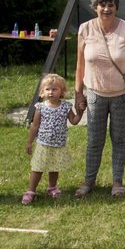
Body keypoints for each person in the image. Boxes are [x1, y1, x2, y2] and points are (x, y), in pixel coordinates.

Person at [73, 0, 125, 198]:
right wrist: (78, 94)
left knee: (119, 138)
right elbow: (80, 65)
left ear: (116, 8)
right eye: (103, 5)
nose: (107, 9)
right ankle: (89, 181)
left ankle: (117, 181)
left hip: (121, 94)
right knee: (94, 140)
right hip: (95, 93)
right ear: (95, 7)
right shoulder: (85, 29)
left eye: (111, 5)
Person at [22, 73, 83, 204]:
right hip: (43, 143)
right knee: (37, 168)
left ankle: (52, 187)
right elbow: (34, 126)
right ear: (42, 92)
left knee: (54, 167)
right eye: (48, 89)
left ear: (62, 91)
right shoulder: (41, 107)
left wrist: (80, 112)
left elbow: (74, 121)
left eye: (55, 89)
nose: (51, 92)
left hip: (59, 144)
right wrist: (29, 142)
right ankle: (31, 191)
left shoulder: (66, 106)